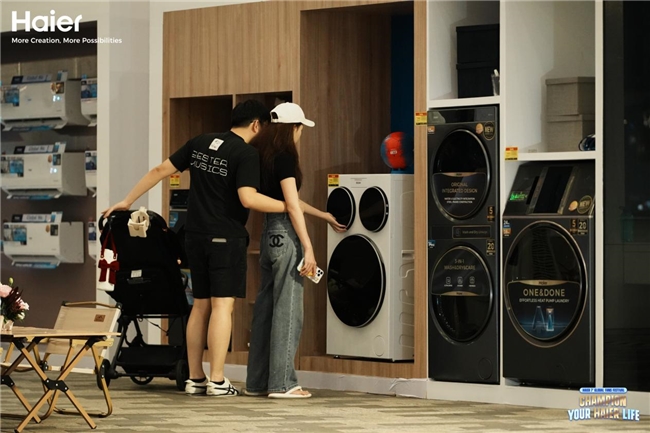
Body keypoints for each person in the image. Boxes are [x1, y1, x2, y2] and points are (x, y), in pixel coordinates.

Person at [103, 100, 288, 397]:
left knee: (200, 305)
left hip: (194, 237)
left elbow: (160, 169)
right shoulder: (246, 153)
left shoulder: (200, 142)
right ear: (257, 125)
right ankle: (218, 380)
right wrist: (289, 206)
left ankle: (195, 378)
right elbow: (248, 198)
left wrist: (127, 200)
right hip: (225, 237)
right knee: (223, 306)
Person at [245, 102, 346, 398]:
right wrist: (308, 247)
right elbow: (291, 205)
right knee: (288, 309)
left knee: (265, 309)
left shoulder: (259, 154)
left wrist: (323, 215)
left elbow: (289, 201)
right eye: (301, 128)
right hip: (285, 234)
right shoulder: (286, 156)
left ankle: (257, 382)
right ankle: (283, 384)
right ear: (294, 128)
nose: (301, 134)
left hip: (267, 234)